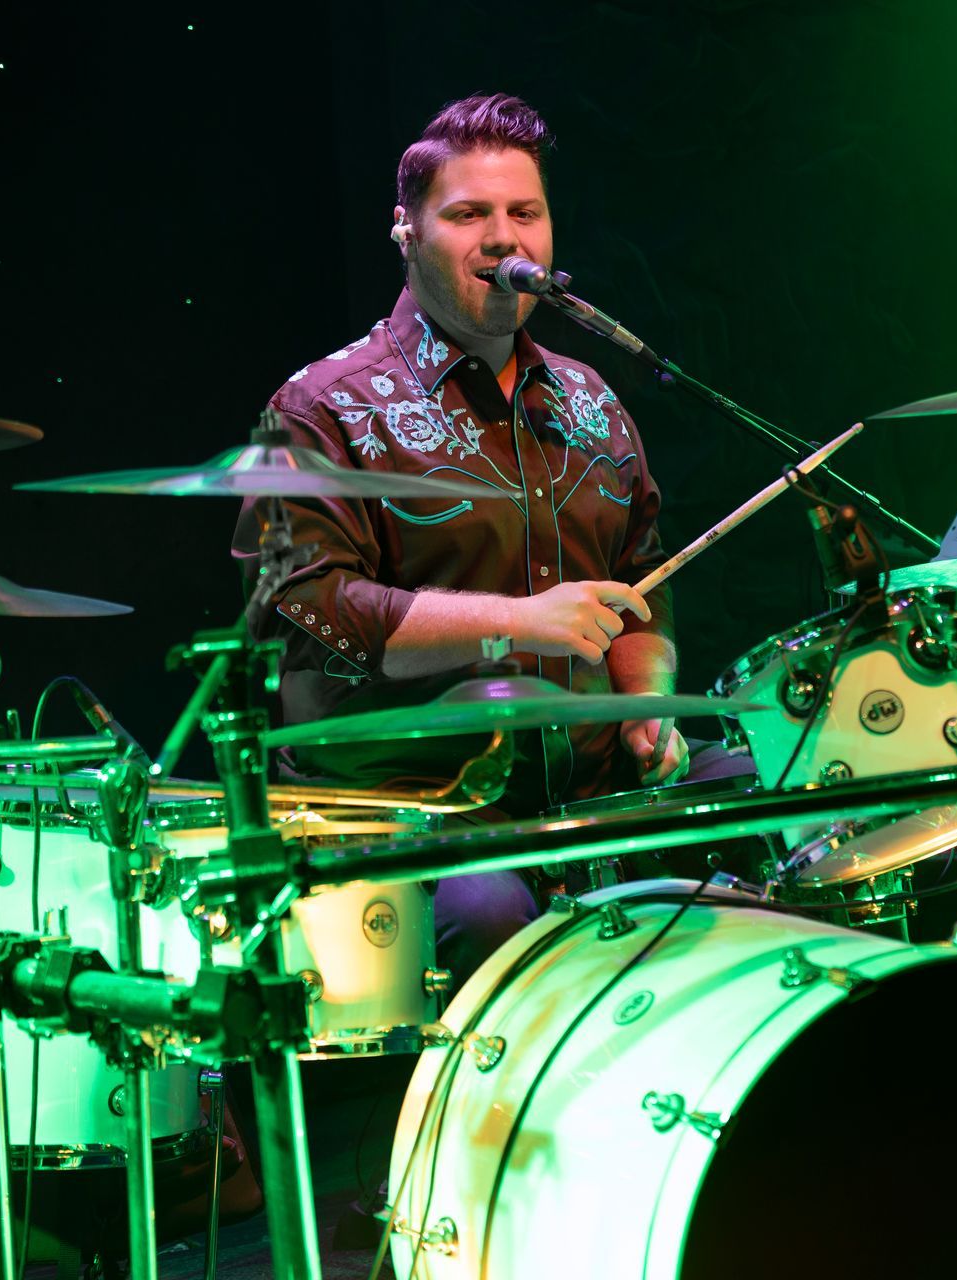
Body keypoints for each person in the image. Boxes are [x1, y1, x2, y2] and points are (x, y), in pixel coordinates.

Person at [233, 93, 700, 976]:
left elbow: (641, 581)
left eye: (524, 212)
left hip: (593, 795)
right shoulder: (320, 408)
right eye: (468, 214)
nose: (503, 238)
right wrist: (522, 621)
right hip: (415, 812)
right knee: (491, 912)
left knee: (778, 807)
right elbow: (318, 609)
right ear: (406, 232)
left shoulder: (593, 398)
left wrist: (647, 710)